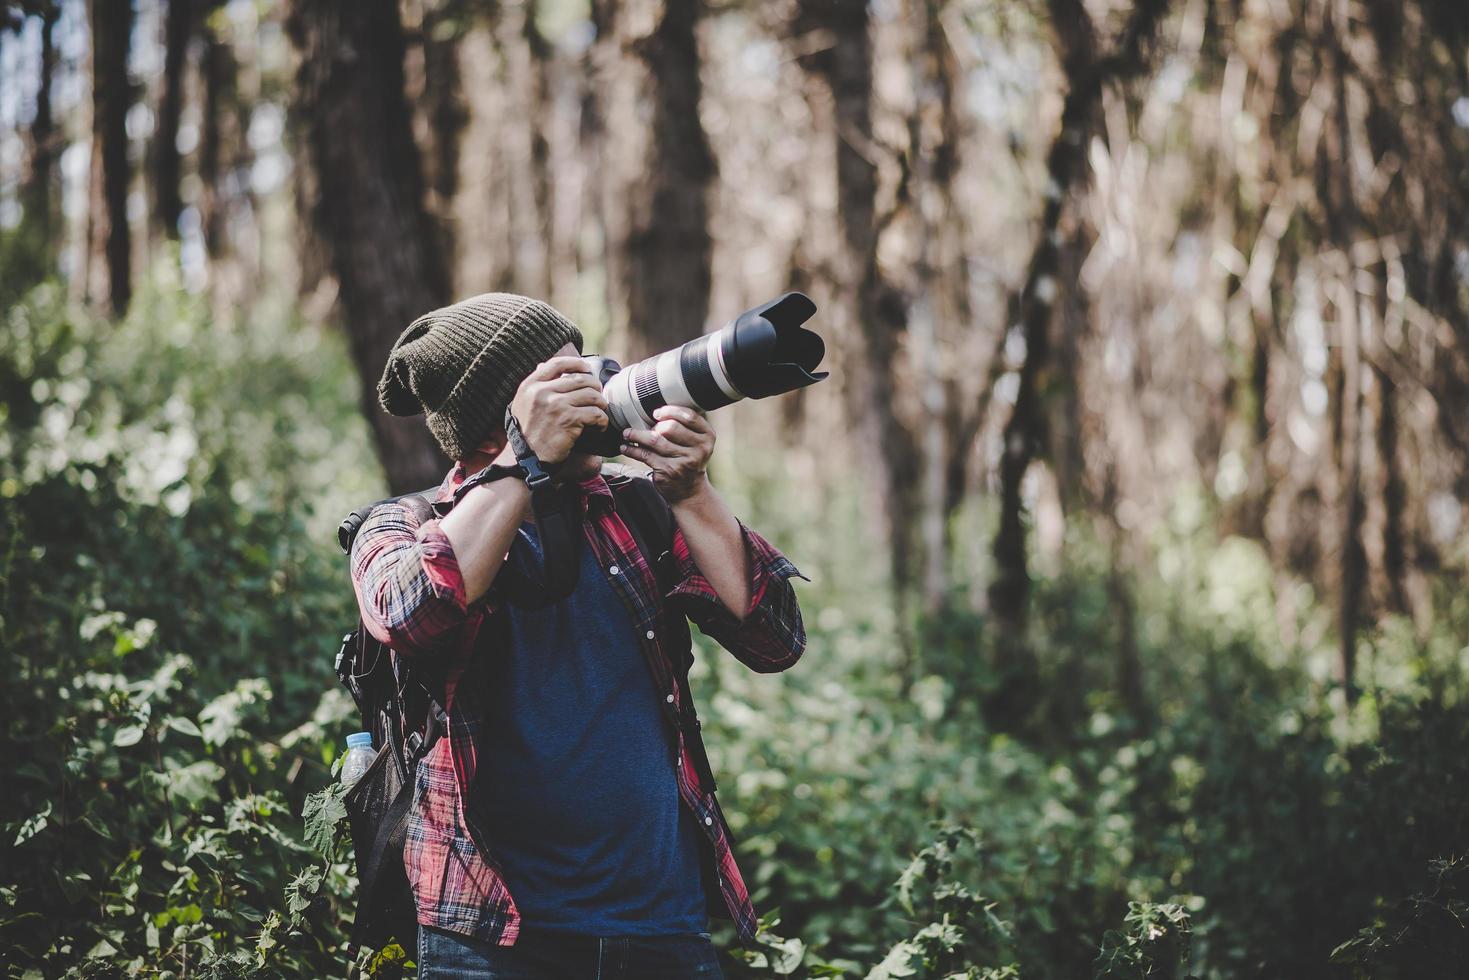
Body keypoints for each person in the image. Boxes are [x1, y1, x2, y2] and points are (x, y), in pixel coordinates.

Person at [350, 293, 808, 979]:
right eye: (562, 383)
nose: (595, 396)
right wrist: (519, 466)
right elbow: (411, 613)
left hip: (661, 923)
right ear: (496, 417)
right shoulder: (401, 526)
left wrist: (690, 494)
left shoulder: (637, 510)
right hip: (490, 936)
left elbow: (774, 640)